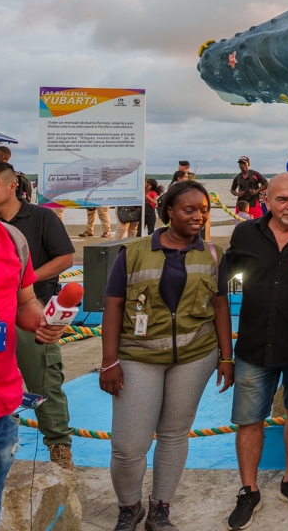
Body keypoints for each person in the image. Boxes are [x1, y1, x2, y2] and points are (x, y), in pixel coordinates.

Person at [99, 180, 235, 531]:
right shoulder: (134, 252)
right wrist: (110, 361)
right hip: (138, 357)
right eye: (189, 209)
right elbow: (113, 305)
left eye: (204, 210)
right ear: (169, 212)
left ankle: (160, 508)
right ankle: (130, 507)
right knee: (130, 445)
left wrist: (226, 356)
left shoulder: (214, 254)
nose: (198, 216)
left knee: (174, 434)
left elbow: (220, 305)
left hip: (194, 356)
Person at [0, 154, 67, 531]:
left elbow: (26, 300)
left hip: (0, 409)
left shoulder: (11, 240)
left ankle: (60, 445)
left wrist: (43, 322)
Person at [224, 173, 288, 529]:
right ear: (267, 199)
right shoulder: (246, 233)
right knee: (249, 420)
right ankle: (248, 489)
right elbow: (232, 277)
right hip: (253, 342)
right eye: (282, 199)